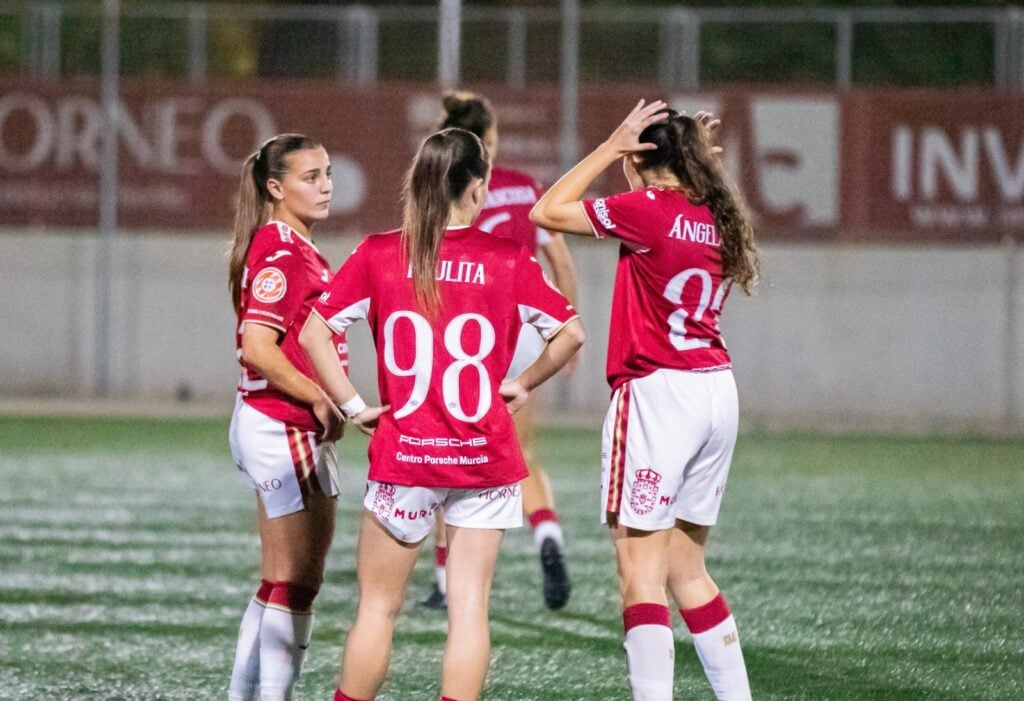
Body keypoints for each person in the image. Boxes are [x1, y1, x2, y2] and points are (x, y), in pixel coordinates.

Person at [299, 127, 584, 701]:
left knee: (378, 609)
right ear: (476, 189)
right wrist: (524, 382)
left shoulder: (380, 252)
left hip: (406, 455)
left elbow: (313, 332)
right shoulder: (508, 258)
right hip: (484, 459)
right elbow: (571, 334)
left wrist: (353, 407)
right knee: (470, 610)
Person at [530, 100, 759, 700]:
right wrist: (694, 155)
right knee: (687, 570)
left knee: (640, 575)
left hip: (660, 393)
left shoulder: (647, 212)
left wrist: (610, 146)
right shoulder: (716, 212)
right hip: (715, 388)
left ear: (642, 159)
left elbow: (545, 211)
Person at [421, 90, 579, 611]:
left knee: (449, 453)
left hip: (470, 336)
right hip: (526, 333)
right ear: (492, 140)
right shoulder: (525, 187)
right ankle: (548, 537)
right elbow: (562, 267)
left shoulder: (445, 187)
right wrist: (564, 333)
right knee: (525, 454)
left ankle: (446, 583)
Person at [226, 133, 347, 701]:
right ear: (275, 188)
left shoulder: (286, 243)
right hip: (283, 423)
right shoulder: (282, 250)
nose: (325, 186)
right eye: (310, 177)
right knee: (301, 582)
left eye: (327, 175)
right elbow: (258, 345)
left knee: (280, 579)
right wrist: (318, 396)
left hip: (272, 421)